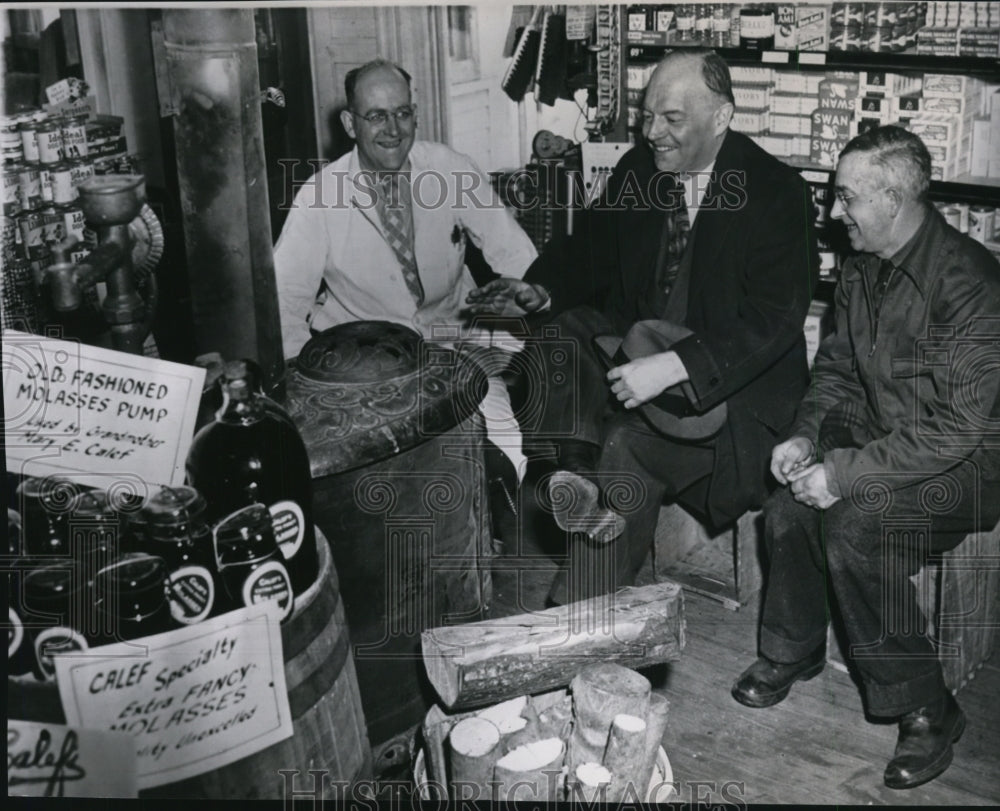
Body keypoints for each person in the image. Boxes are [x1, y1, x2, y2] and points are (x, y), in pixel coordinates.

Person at [467, 48, 819, 604]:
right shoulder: (640, 170)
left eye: (672, 119)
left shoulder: (778, 194)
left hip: (726, 396)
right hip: (641, 359)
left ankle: (574, 617)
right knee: (557, 334)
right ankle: (578, 478)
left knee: (627, 446)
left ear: (722, 117)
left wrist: (674, 366)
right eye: (648, 116)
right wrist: (539, 290)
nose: (653, 132)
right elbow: (587, 252)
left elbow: (773, 323)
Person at [731, 125, 1000, 790]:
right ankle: (793, 652)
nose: (834, 214)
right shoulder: (861, 269)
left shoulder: (970, 281)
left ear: (894, 199)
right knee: (786, 510)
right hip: (889, 438)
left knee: (856, 528)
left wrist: (845, 473)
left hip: (968, 466)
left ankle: (928, 708)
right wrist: (806, 438)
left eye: (846, 198)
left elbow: (957, 429)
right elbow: (837, 373)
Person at [273, 59, 538, 509]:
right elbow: (284, 300)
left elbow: (516, 254)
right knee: (386, 482)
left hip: (455, 339)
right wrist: (310, 385)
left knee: (507, 455)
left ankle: (482, 538)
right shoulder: (319, 197)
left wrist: (530, 294)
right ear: (350, 124)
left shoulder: (451, 169)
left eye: (402, 113)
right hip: (363, 362)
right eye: (376, 116)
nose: (392, 129)